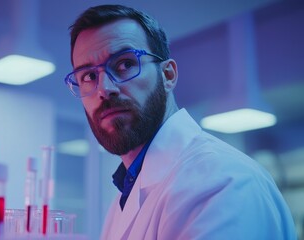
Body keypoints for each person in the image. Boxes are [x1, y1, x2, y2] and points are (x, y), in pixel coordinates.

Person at [64, 4, 297, 240]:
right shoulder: (124, 197)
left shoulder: (222, 181)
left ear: (168, 75)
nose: (104, 89)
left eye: (124, 64)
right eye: (89, 76)